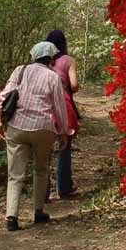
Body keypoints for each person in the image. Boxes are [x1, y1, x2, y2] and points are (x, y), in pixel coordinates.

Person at [0, 41, 70, 231]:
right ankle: (38, 212)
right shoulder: (53, 77)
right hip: (43, 128)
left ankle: (11, 217)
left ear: (34, 56)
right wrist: (63, 132)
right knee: (41, 169)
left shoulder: (19, 71)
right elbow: (60, 108)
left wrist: (1, 122)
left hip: (17, 126)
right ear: (51, 59)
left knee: (15, 175)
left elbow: (4, 98)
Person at [46, 29, 81, 199]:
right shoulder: (68, 60)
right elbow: (74, 85)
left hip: (43, 107)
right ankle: (64, 187)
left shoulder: (43, 62)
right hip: (63, 105)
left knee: (43, 151)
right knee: (64, 145)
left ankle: (42, 191)